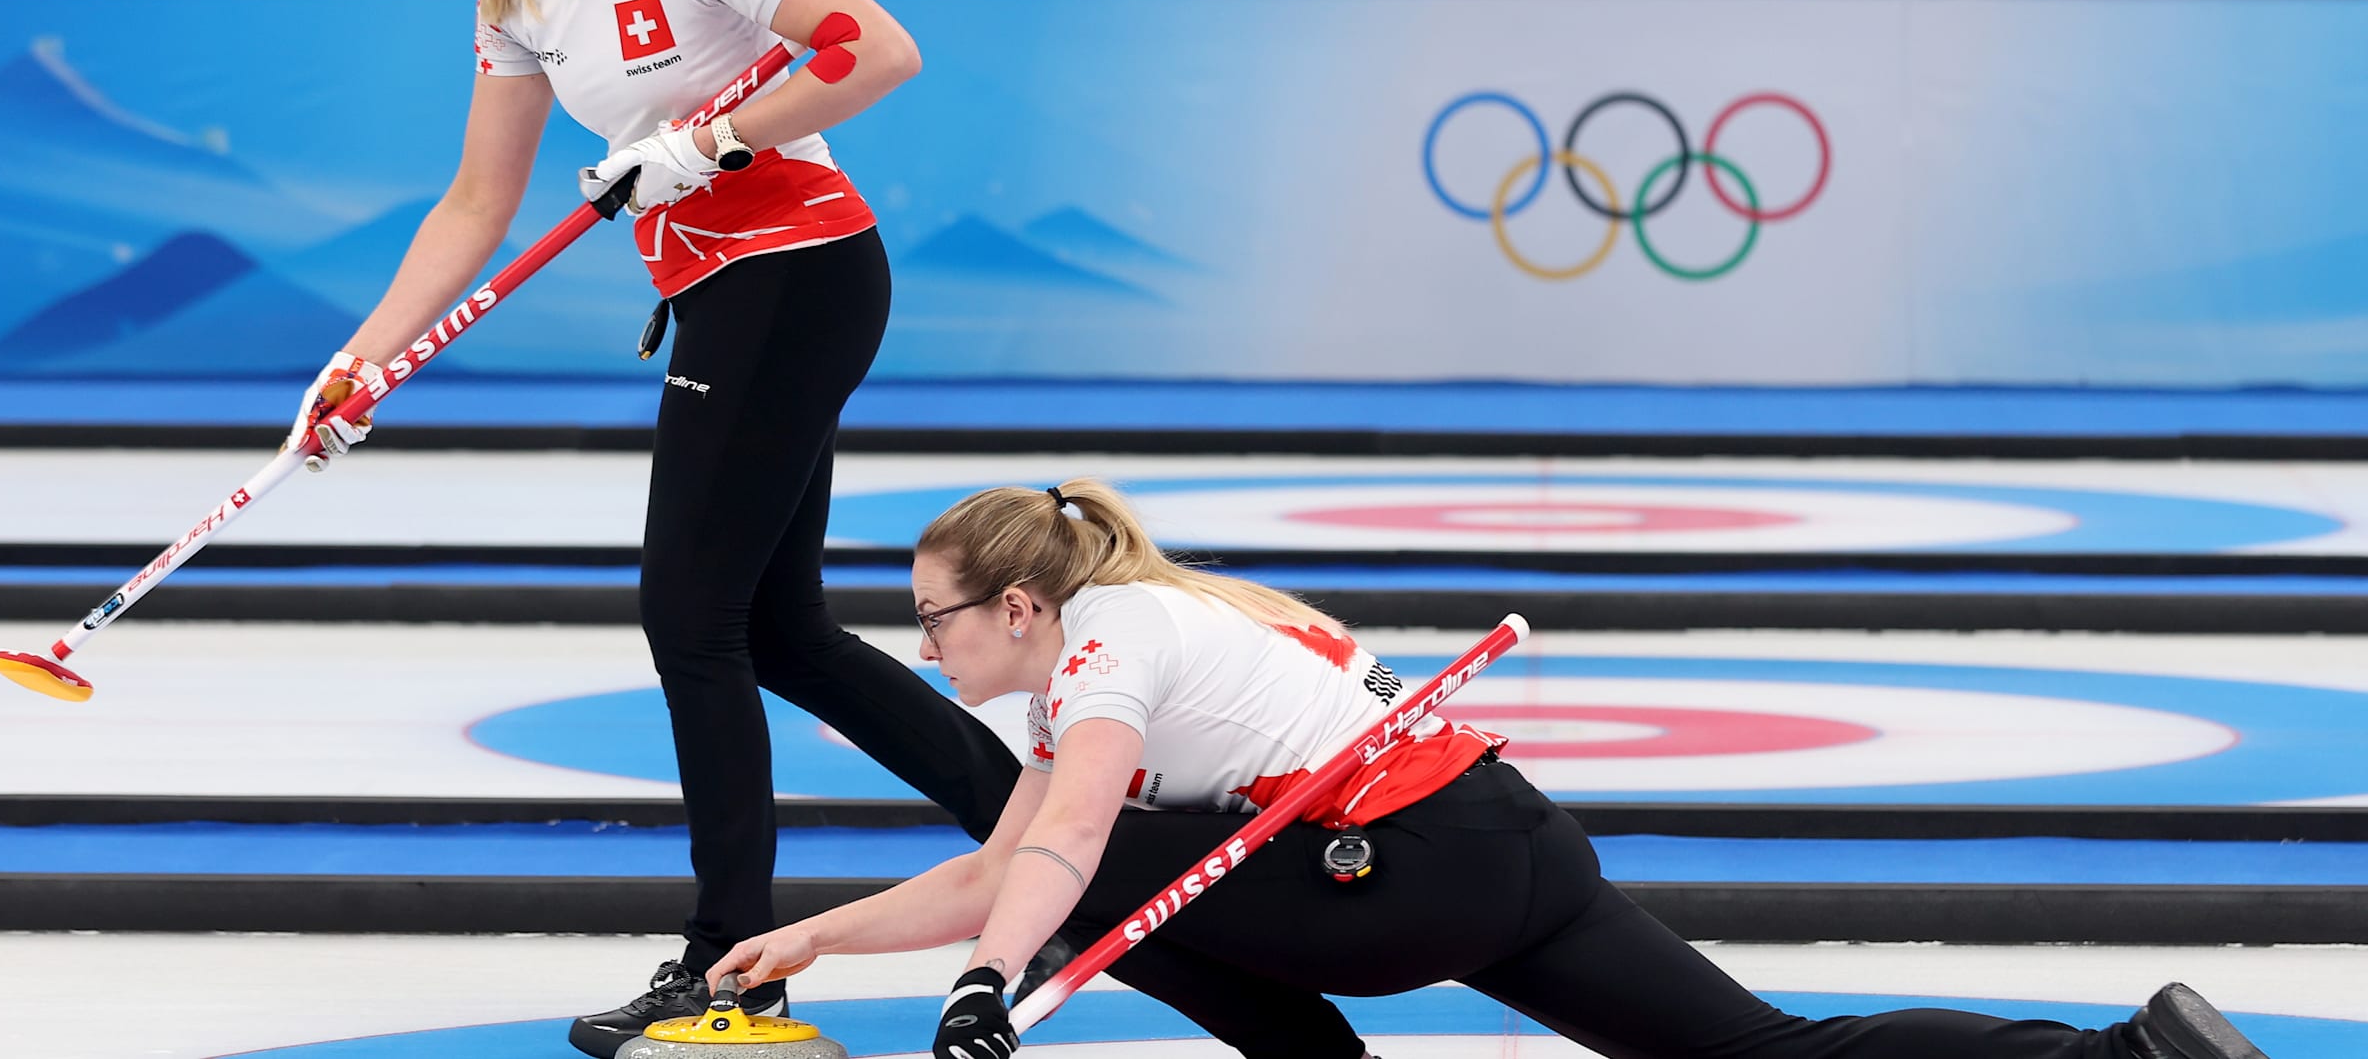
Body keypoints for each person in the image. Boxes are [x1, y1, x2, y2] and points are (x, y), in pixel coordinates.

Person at [278, 0, 1021, 1057]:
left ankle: (729, 967)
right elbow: (474, 199)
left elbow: (878, 47)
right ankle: (1051, 841)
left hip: (797, 271)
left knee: (689, 613)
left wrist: (713, 143)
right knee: (777, 627)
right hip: (721, 294)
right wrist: (362, 356)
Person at [705, 478, 2273, 1059]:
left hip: (1401, 875)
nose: (925, 650)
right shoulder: (1190, 607)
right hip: (1512, 840)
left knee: (1094, 863)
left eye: (934, 621)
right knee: (1759, 1057)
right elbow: (1022, 862)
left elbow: (1050, 855)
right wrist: (822, 941)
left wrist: (983, 980)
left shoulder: (1108, 653)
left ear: (1022, 606)